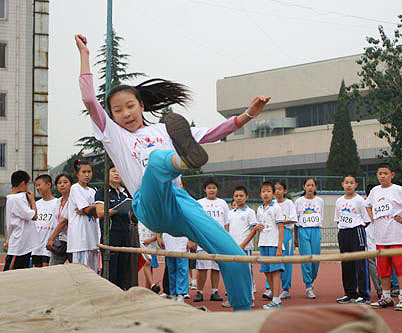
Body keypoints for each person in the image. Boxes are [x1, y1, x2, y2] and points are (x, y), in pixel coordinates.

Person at [76, 34, 269, 311]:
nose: (126, 114)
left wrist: (249, 114)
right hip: (149, 204)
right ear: (112, 117)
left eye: (130, 106)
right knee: (156, 162)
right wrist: (84, 54)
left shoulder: (165, 129)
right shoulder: (113, 135)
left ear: (141, 105)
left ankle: (244, 316)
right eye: (117, 111)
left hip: (182, 203)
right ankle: (180, 161)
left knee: (233, 255)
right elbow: (89, 100)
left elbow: (215, 132)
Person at [366, 163, 402, 311]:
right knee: (383, 268)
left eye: (385, 173)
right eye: (380, 173)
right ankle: (386, 297)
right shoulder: (374, 191)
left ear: (392, 175)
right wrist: (373, 217)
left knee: (400, 267)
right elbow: (368, 205)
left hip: (396, 236)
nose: (382, 176)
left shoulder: (398, 190)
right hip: (380, 236)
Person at [335, 175, 371, 304]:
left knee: (360, 263)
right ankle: (350, 293)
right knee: (346, 264)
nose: (349, 185)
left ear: (356, 185)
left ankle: (364, 294)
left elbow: (366, 220)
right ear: (342, 184)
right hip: (343, 232)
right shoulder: (339, 201)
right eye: (346, 182)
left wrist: (356, 226)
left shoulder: (360, 200)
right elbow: (338, 219)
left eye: (351, 183)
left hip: (357, 231)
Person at [95, 165, 132, 289]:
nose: (117, 174)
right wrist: (118, 209)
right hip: (111, 234)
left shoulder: (125, 192)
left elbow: (130, 212)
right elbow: (100, 213)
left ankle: (122, 292)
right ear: (107, 174)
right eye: (113, 171)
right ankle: (110, 293)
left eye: (119, 171)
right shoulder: (102, 192)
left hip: (125, 233)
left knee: (124, 266)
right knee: (111, 266)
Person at [222, 186, 258, 308]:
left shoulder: (250, 212)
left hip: (245, 248)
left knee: (246, 273)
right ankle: (233, 299)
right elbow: (227, 229)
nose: (238, 198)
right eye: (236, 196)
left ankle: (250, 298)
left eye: (241, 196)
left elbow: (254, 230)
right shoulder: (230, 213)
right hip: (232, 249)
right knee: (233, 273)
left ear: (246, 197)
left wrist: (243, 245)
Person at [194, 179, 229, 302]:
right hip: (203, 239)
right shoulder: (199, 203)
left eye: (214, 188)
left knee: (216, 267)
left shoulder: (223, 203)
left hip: (218, 240)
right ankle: (199, 292)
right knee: (202, 267)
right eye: (209, 188)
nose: (212, 190)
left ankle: (215, 291)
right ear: (205, 190)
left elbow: (226, 223)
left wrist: (226, 239)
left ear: (217, 189)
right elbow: (195, 222)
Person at [67, 159, 100, 272]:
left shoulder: (93, 191)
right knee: (81, 272)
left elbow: (95, 212)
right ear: (77, 174)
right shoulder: (75, 188)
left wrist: (92, 209)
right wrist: (92, 209)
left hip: (93, 237)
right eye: (84, 172)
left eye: (89, 172)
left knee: (93, 271)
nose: (87, 175)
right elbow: (87, 209)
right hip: (80, 239)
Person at [257, 182, 285, 309]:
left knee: (275, 271)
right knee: (267, 272)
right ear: (260, 194)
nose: (265, 194)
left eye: (268, 191)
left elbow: (281, 228)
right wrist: (257, 227)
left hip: (274, 244)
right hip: (263, 244)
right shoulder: (259, 209)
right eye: (263, 191)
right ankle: (274, 298)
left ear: (273, 193)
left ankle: (277, 299)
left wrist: (279, 247)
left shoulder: (277, 208)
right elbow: (260, 225)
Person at [3, 170, 38, 271]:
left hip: (22, 243)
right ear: (23, 184)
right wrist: (32, 201)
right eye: (27, 184)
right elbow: (32, 215)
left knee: (20, 274)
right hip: (19, 244)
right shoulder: (16, 199)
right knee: (11, 274)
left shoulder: (14, 198)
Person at [295, 178, 324, 299]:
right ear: (304, 187)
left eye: (312, 185)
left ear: (315, 187)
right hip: (303, 231)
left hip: (315, 230)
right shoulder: (299, 201)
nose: (310, 187)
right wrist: (296, 237)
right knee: (306, 258)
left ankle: (312, 281)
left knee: (315, 259)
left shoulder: (320, 201)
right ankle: (308, 286)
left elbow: (320, 216)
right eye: (308, 185)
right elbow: (296, 220)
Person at [274, 181, 297, 300]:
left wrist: (280, 222)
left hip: (286, 233)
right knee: (273, 260)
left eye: (280, 189)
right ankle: (271, 288)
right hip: (273, 234)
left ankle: (286, 288)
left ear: (285, 191)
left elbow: (293, 219)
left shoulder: (289, 203)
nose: (277, 191)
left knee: (286, 260)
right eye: (276, 189)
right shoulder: (272, 204)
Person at [31, 175, 58, 268]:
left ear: (49, 185)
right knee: (37, 274)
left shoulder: (57, 203)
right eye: (36, 186)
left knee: (46, 272)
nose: (37, 188)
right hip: (36, 247)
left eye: (39, 185)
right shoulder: (36, 204)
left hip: (49, 246)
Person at [46, 174, 73, 265]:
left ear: (71, 185)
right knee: (53, 268)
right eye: (59, 183)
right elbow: (56, 222)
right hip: (60, 241)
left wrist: (51, 239)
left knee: (76, 269)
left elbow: (64, 222)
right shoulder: (57, 201)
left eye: (65, 182)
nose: (62, 185)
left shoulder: (73, 200)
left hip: (73, 240)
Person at [364, 184, 382, 300]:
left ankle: (384, 288)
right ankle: (380, 289)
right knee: (372, 263)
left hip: (382, 237)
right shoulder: (365, 203)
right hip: (371, 237)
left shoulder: (382, 202)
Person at [162, 231, 189, 303]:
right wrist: (159, 236)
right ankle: (173, 293)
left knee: (182, 269)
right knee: (171, 269)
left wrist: (192, 240)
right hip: (168, 239)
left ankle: (180, 294)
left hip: (182, 239)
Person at [138, 221, 161, 293]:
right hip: (140, 241)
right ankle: (151, 285)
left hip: (150, 244)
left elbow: (158, 231)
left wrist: (152, 239)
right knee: (146, 263)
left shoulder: (153, 216)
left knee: (148, 264)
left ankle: (149, 287)